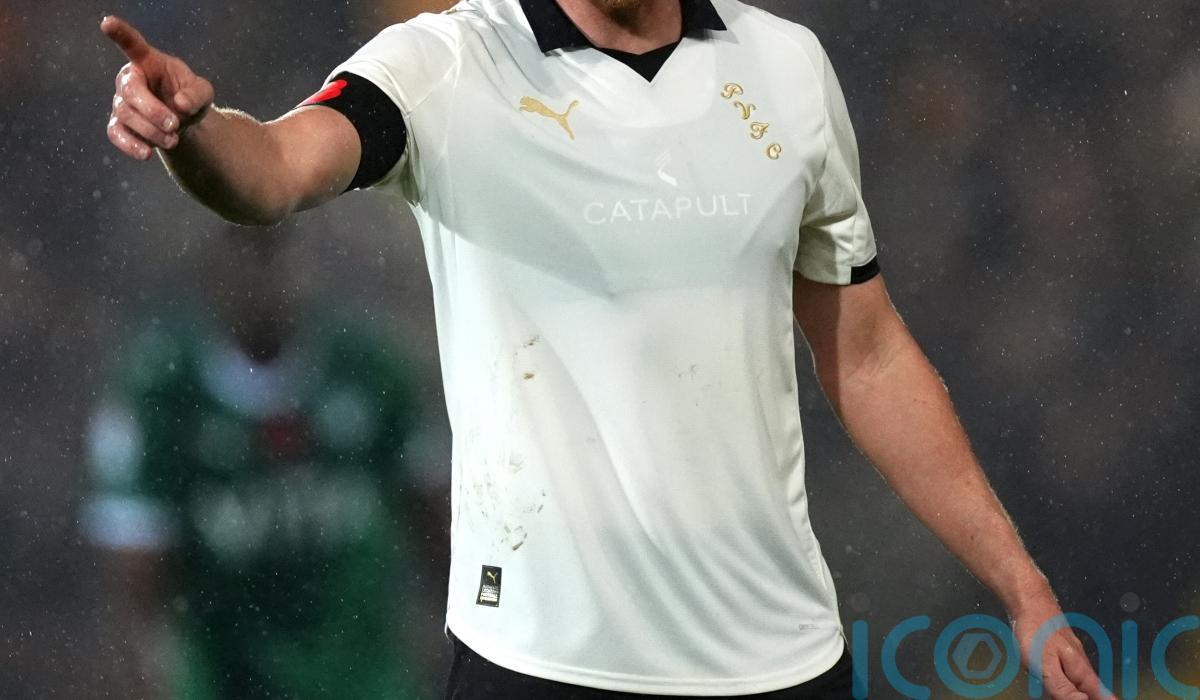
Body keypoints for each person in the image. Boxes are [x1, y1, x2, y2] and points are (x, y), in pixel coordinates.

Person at [99, 0, 1110, 697]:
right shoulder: (446, 65)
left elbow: (870, 352)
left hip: (780, 661)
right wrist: (195, 132)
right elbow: (273, 170)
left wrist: (1022, 588)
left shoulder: (786, 67)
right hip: (541, 663)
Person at [82, 226, 431, 699]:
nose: (262, 276)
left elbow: (439, 524)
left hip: (364, 680)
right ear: (210, 271)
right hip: (227, 681)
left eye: (274, 252)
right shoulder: (162, 388)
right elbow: (138, 580)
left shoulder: (368, 366)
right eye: (245, 252)